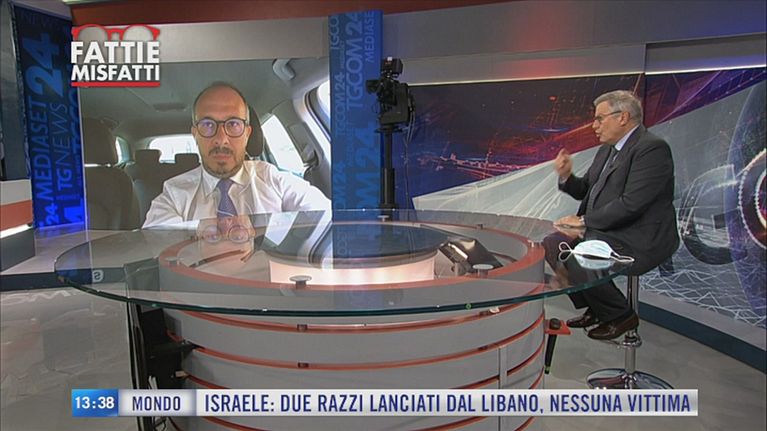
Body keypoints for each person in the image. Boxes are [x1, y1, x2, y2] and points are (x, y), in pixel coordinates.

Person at [550, 89, 678, 340]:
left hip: (638, 236)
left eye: (600, 118)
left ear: (623, 117)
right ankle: (597, 307)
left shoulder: (651, 149)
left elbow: (632, 204)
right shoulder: (607, 150)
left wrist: (583, 221)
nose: (594, 125)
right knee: (553, 243)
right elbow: (585, 189)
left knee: (579, 253)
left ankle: (621, 316)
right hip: (608, 229)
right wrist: (566, 176)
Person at [143, 82, 330, 228]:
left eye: (233, 124)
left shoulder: (275, 181)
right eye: (208, 125)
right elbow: (159, 244)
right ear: (195, 134)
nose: (221, 139)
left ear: (247, 134)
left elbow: (327, 218)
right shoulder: (174, 194)